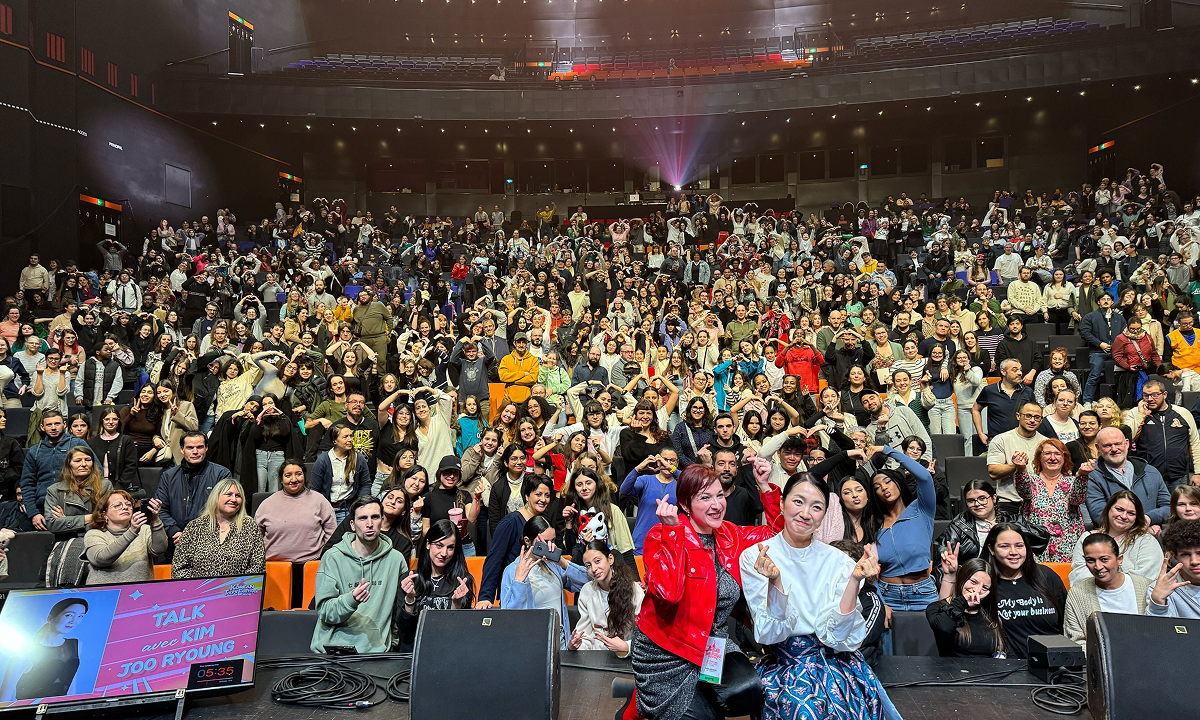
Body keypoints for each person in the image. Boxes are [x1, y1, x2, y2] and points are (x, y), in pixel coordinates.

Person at [629, 461, 781, 720]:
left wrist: (765, 486)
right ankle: (638, 705)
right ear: (685, 505)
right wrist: (673, 532)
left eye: (720, 495)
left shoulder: (731, 534)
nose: (717, 504)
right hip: (665, 650)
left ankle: (698, 696)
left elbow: (778, 535)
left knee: (749, 692)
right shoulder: (660, 535)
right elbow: (669, 594)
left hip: (711, 644)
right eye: (705, 497)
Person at [741, 472, 897, 720]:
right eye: (798, 502)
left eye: (816, 507)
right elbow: (770, 634)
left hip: (840, 663)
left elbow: (840, 636)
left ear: (824, 515)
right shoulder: (755, 557)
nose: (805, 514)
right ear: (781, 503)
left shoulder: (839, 560)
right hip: (787, 667)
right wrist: (775, 582)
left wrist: (854, 581)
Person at [311, 495, 407, 653]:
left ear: (382, 521)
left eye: (375, 517)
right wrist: (351, 600)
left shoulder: (396, 560)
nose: (369, 524)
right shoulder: (333, 558)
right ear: (353, 525)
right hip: (334, 650)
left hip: (377, 653)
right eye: (363, 518)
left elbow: (396, 612)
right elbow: (325, 612)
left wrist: (392, 643)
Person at [866, 444, 939, 612]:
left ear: (898, 482)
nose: (884, 488)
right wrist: (881, 603)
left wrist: (887, 450)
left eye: (887, 482)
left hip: (923, 593)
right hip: (887, 596)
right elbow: (869, 569)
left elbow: (925, 477)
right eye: (877, 487)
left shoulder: (921, 509)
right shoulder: (874, 523)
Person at [934, 480, 1049, 585]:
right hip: (972, 582)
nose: (977, 504)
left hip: (1009, 578)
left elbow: (1042, 538)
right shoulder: (959, 525)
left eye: (982, 498)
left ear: (994, 498)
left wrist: (1008, 530)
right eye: (971, 501)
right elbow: (941, 563)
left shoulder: (1010, 520)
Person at [500, 514, 590, 648]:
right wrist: (519, 582)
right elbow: (508, 618)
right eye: (544, 541)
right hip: (533, 644)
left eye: (552, 541)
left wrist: (563, 562)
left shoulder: (553, 565)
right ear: (527, 541)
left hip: (559, 639)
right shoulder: (512, 571)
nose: (550, 546)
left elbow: (589, 581)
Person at [980, 523, 1066, 658]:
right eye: (1004, 546)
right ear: (991, 549)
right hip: (1010, 665)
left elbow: (1066, 622)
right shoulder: (985, 583)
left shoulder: (1047, 576)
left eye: (1019, 546)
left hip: (1056, 662)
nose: (1013, 552)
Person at [396, 518, 475, 649]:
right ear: (428, 544)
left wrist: (456, 604)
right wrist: (410, 599)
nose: (444, 553)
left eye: (450, 547)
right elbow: (404, 629)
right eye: (439, 545)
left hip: (446, 650)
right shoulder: (410, 579)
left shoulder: (463, 581)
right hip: (414, 651)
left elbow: (459, 631)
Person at [1062, 533, 1150, 646]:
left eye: (1104, 559)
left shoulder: (1145, 586)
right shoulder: (1078, 594)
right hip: (1096, 657)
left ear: (1119, 559)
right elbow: (1076, 641)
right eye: (1090, 560)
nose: (1098, 567)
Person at [1012, 439, 1092, 562]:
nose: (1053, 458)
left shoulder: (1072, 481)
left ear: (1064, 458)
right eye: (1047, 453)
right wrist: (1021, 469)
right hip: (1035, 544)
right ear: (1040, 457)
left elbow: (1077, 500)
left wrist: (1082, 476)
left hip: (1067, 544)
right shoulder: (1031, 479)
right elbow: (1024, 492)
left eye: (1058, 454)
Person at [171, 478, 266, 579]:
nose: (234, 499)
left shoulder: (249, 526)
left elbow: (257, 566)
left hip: (237, 588)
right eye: (229, 494)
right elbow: (179, 568)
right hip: (198, 589)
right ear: (216, 498)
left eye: (238, 496)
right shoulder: (194, 527)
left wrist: (232, 586)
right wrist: (201, 587)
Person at [1068, 490, 1162, 586]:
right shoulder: (1087, 538)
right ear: (1108, 509)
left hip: (1134, 594)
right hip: (1090, 592)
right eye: (1119, 509)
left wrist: (1113, 587)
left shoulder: (1146, 541)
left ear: (1137, 517)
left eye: (1131, 513)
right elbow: (1079, 575)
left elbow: (1146, 578)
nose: (1124, 516)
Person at [0, 598, 88, 700]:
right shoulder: (25, 653)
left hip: (62, 708)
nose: (74, 621)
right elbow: (5, 697)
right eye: (68, 615)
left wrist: (72, 707)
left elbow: (71, 686)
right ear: (50, 618)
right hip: (31, 709)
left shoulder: (76, 645)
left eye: (80, 616)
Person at [1087, 426, 1171, 532]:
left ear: (1127, 443)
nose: (1114, 449)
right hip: (1114, 539)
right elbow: (1099, 515)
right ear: (1098, 448)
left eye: (1118, 444)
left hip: (1150, 537)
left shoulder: (1150, 472)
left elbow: (1169, 507)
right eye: (1107, 445)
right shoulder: (1092, 476)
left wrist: (1149, 518)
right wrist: (1140, 528)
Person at [568, 540, 645, 656]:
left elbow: (645, 634)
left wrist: (626, 647)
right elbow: (585, 635)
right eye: (588, 565)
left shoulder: (633, 590)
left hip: (626, 656)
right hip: (598, 656)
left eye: (597, 561)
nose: (594, 569)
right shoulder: (587, 591)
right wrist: (575, 645)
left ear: (610, 559)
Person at [154, 431, 233, 543]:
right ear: (182, 449)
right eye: (190, 448)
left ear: (206, 448)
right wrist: (174, 531)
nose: (195, 452)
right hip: (175, 541)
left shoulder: (221, 474)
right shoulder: (168, 476)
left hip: (210, 542)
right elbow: (161, 509)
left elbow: (225, 510)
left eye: (199, 447)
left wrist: (195, 536)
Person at [1122, 377, 1200, 489]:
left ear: (1165, 395)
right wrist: (1141, 415)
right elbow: (1127, 439)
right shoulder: (1135, 413)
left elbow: (1195, 443)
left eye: (1155, 395)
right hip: (1147, 475)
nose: (1150, 399)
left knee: (1179, 501)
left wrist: (1198, 472)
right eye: (1146, 395)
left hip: (1178, 475)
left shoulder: (1183, 413)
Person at [254, 459, 337, 563]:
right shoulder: (267, 504)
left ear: (304, 476)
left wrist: (325, 559)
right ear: (281, 479)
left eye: (298, 474)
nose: (294, 479)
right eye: (288, 475)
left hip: (312, 565)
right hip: (274, 566)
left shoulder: (319, 500)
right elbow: (255, 538)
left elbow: (332, 534)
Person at [19, 410, 89, 531]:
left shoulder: (77, 444)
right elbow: (27, 484)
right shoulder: (35, 451)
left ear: (64, 424)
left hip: (74, 505)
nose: (53, 428)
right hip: (42, 507)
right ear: (42, 427)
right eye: (49, 424)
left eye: (57, 424)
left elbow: (95, 472)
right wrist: (33, 513)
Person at [84, 490, 168, 584]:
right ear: (104, 514)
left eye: (128, 504)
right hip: (106, 591)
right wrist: (132, 532)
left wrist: (155, 520)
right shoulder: (94, 534)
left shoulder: (144, 530)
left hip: (139, 591)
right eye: (117, 505)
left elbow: (159, 549)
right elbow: (100, 559)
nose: (125, 507)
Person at [927, 558, 1006, 657]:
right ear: (962, 578)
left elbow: (1005, 649)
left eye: (984, 587)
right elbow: (943, 627)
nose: (977, 590)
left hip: (989, 666)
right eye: (973, 582)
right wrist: (963, 601)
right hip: (953, 666)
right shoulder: (937, 608)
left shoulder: (989, 614)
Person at [986, 401, 1052, 515]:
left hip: (1039, 502)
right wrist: (1015, 465)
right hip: (1009, 502)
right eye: (1028, 416)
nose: (1032, 420)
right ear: (1018, 416)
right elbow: (993, 472)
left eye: (1036, 417)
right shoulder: (1001, 440)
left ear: (1041, 420)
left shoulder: (1047, 443)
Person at [311, 423, 371, 522]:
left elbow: (365, 484)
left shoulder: (358, 458)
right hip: (326, 508)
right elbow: (315, 489)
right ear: (334, 441)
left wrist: (360, 505)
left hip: (347, 509)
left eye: (351, 436)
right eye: (345, 437)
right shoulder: (323, 460)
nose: (350, 439)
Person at [1146, 519, 1200, 617]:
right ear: (1175, 557)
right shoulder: (1162, 588)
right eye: (1185, 554)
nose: (1194, 561)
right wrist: (1158, 602)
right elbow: (1157, 626)